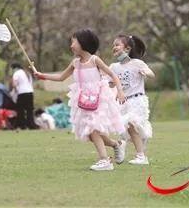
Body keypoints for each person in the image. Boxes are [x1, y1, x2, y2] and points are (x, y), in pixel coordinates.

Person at [34, 29, 126, 171]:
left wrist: (119, 91)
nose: (71, 45)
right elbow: (61, 77)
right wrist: (42, 75)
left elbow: (113, 75)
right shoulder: (75, 63)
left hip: (98, 98)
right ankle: (116, 144)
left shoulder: (94, 60)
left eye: (74, 42)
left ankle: (104, 161)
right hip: (82, 100)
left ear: (83, 43)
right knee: (90, 134)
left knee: (93, 130)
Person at [109, 34, 155, 165]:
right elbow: (110, 83)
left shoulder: (137, 63)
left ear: (127, 48)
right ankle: (138, 151)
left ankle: (141, 156)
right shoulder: (114, 67)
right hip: (123, 103)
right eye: (113, 45)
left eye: (117, 44)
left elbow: (151, 73)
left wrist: (146, 73)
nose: (114, 47)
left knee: (131, 125)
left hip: (137, 101)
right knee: (131, 130)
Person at [10, 63, 38, 130]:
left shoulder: (16, 73)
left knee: (20, 110)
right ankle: (31, 125)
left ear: (14, 68)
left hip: (22, 93)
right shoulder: (27, 73)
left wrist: (14, 90)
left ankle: (22, 125)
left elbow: (14, 84)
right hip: (30, 92)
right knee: (30, 110)